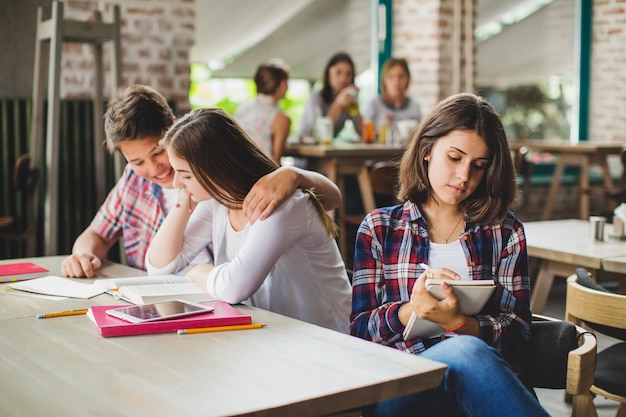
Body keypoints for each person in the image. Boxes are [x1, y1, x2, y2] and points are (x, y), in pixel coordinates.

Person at [349, 93, 550, 416]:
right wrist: (410, 310)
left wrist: (460, 324)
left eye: (478, 166)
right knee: (466, 352)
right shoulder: (379, 227)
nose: (464, 176)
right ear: (427, 150)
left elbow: (519, 328)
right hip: (401, 386)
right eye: (454, 158)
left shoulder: (505, 231)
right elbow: (359, 331)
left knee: (467, 351)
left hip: (480, 383)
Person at [61, 85, 341, 278]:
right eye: (137, 162)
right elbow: (97, 234)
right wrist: (82, 256)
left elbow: (328, 200)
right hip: (160, 303)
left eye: (158, 152)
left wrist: (293, 174)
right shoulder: (134, 181)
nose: (153, 168)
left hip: (221, 304)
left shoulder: (216, 183)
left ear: (174, 128)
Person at [145, 107, 352, 333]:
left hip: (329, 338)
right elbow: (160, 266)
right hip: (276, 337)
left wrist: (197, 271)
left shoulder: (280, 205)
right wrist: (184, 197)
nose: (175, 183)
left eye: (184, 175)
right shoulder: (218, 202)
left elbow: (233, 288)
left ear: (216, 169)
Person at [234, 58, 291, 163]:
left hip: (235, 172)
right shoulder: (280, 118)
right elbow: (275, 162)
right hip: (261, 175)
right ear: (283, 84)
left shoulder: (242, 109)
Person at [297, 51, 362, 140]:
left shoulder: (348, 101)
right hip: (306, 148)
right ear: (328, 73)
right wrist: (338, 103)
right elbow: (321, 134)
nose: (344, 78)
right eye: (338, 72)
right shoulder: (316, 97)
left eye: (348, 74)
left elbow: (363, 133)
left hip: (327, 151)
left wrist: (355, 103)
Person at [363, 57, 421, 131]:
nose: (396, 81)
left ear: (408, 78)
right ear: (384, 79)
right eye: (391, 77)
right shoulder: (373, 105)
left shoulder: (414, 107)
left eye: (401, 76)